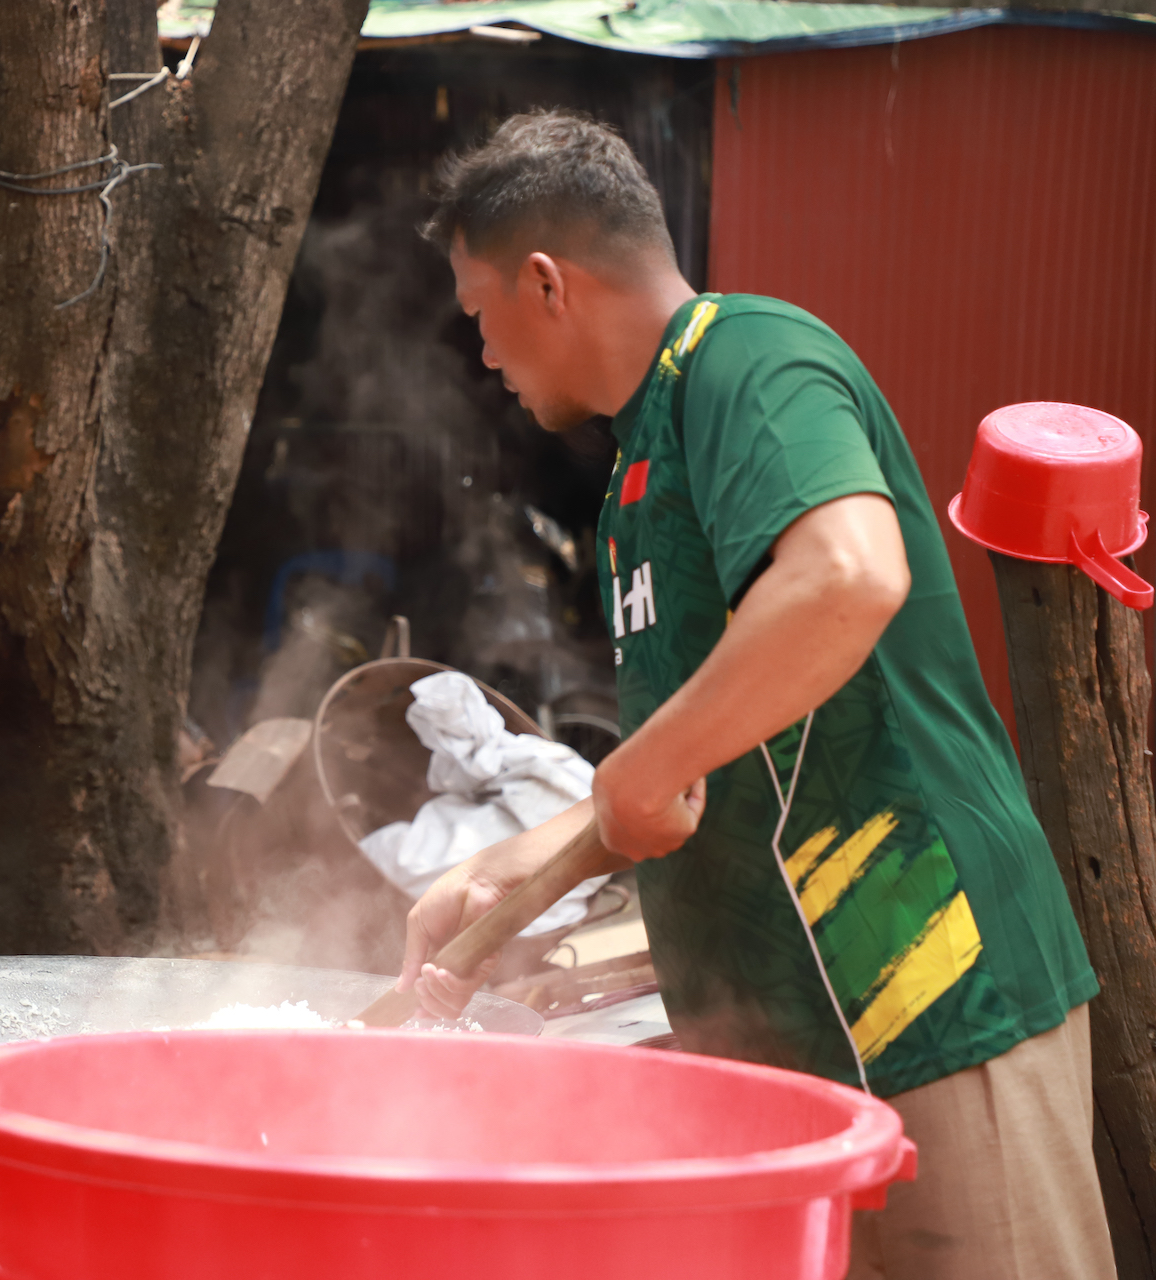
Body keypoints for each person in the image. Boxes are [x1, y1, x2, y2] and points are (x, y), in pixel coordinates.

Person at [399, 111, 1111, 1279]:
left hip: (931, 994)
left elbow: (848, 573)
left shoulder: (749, 357)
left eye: (480, 316)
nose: (483, 355)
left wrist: (635, 770)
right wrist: (511, 868)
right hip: (793, 1039)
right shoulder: (637, 471)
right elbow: (696, 763)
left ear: (545, 283)